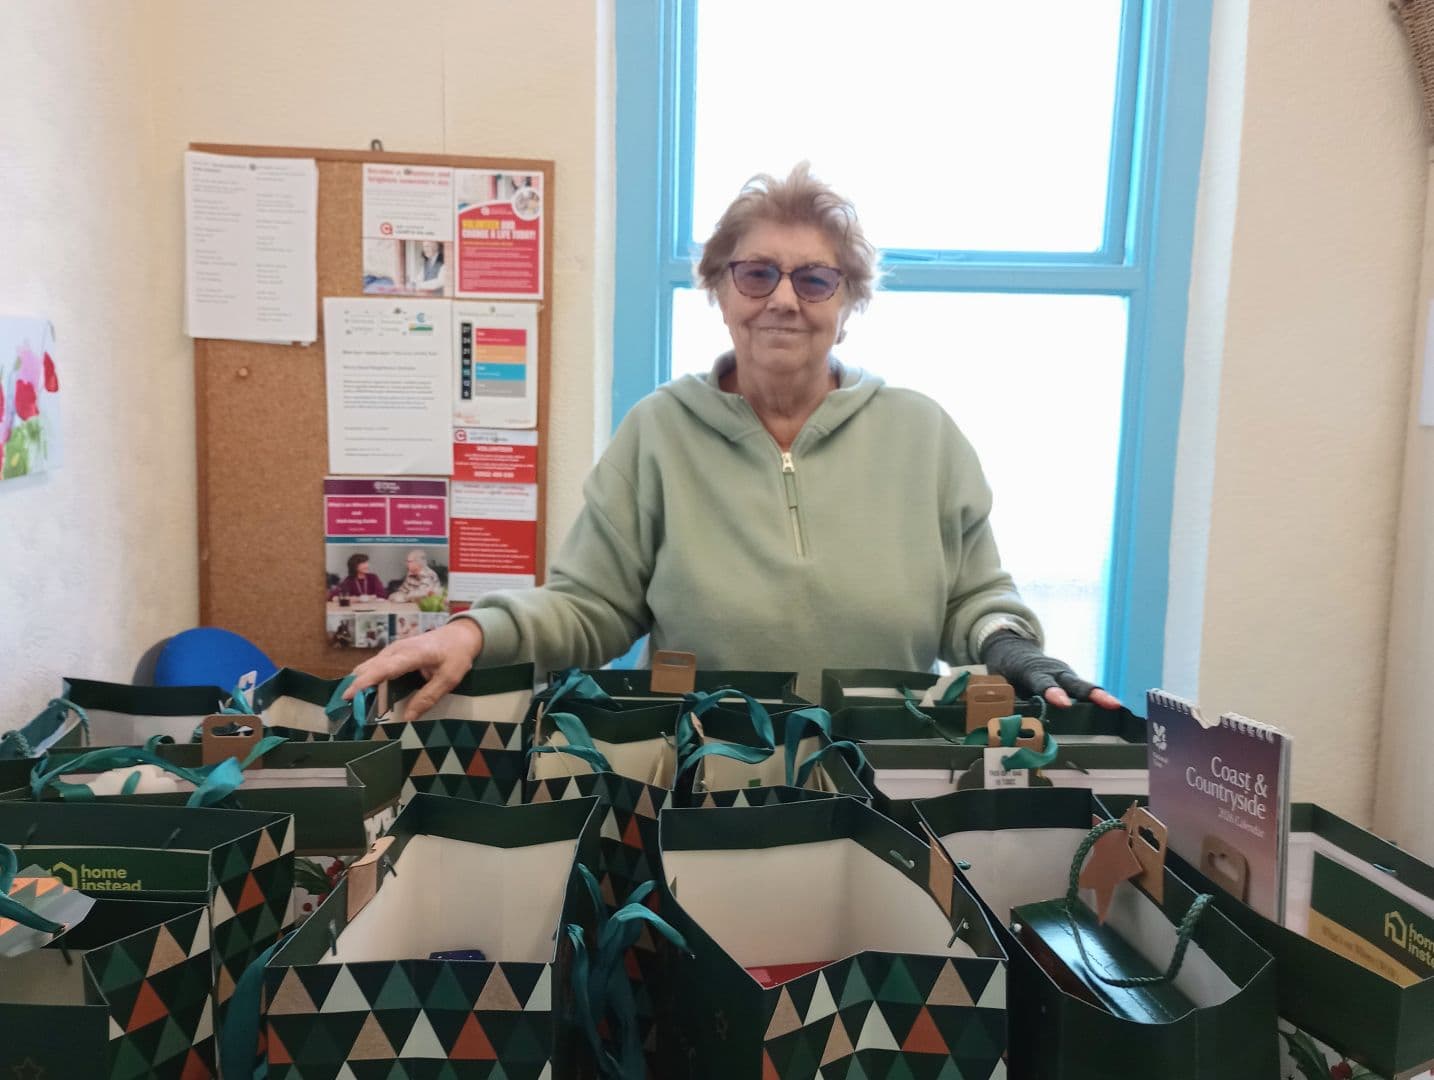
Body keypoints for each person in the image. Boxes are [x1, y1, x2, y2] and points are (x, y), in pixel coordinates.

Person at [348, 163, 1122, 720]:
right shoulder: (658, 432)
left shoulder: (923, 434)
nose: (784, 299)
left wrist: (1013, 649)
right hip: (707, 771)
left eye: (816, 280)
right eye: (757, 275)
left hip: (890, 769)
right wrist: (477, 629)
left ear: (848, 304)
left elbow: (973, 600)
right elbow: (590, 608)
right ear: (718, 290)